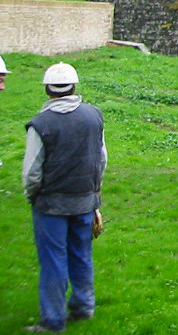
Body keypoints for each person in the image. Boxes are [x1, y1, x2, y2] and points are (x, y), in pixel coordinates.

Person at [22, 62, 106, 333]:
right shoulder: (94, 116)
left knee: (53, 260)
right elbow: (101, 160)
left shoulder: (40, 124)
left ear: (48, 89)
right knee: (81, 254)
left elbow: (32, 171)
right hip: (84, 200)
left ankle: (53, 320)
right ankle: (84, 308)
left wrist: (31, 196)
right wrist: (94, 194)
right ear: (74, 87)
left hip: (51, 205)